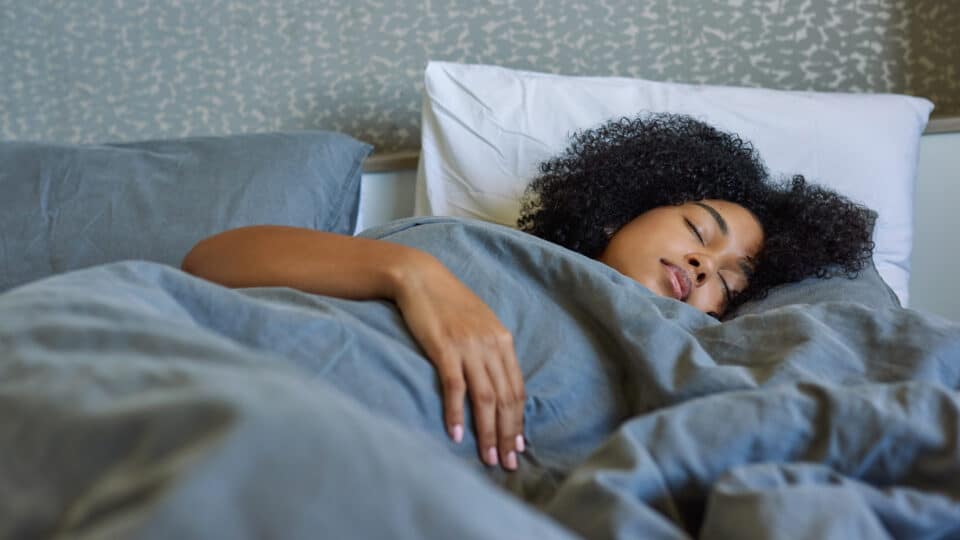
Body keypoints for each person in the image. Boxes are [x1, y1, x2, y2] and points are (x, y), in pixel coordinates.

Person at [180, 113, 875, 473]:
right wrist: (415, 275)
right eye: (700, 229)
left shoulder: (682, 350)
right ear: (628, 206)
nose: (703, 263)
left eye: (729, 280)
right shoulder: (460, 243)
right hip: (239, 373)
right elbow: (211, 261)